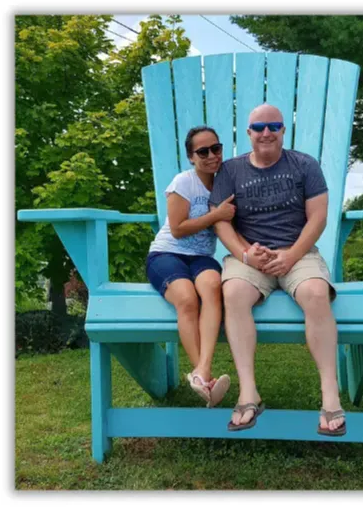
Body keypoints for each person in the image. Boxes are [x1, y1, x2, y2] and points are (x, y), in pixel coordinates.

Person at [209, 104, 346, 435]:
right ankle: (248, 391)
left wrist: (292, 254)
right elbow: (220, 220)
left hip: (298, 253)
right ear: (249, 133)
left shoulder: (304, 165)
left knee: (316, 293)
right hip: (251, 257)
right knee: (233, 292)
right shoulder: (230, 171)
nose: (266, 132)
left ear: (284, 130)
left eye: (274, 125)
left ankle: (330, 394)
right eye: (259, 127)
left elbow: (318, 217)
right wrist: (244, 255)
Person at [146, 126, 234, 407]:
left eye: (216, 148)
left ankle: (201, 372)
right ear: (191, 156)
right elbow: (178, 228)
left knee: (212, 287)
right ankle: (203, 375)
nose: (211, 155)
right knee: (186, 299)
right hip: (166, 254)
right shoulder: (184, 182)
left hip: (200, 258)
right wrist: (216, 215)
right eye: (203, 151)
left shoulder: (225, 183)